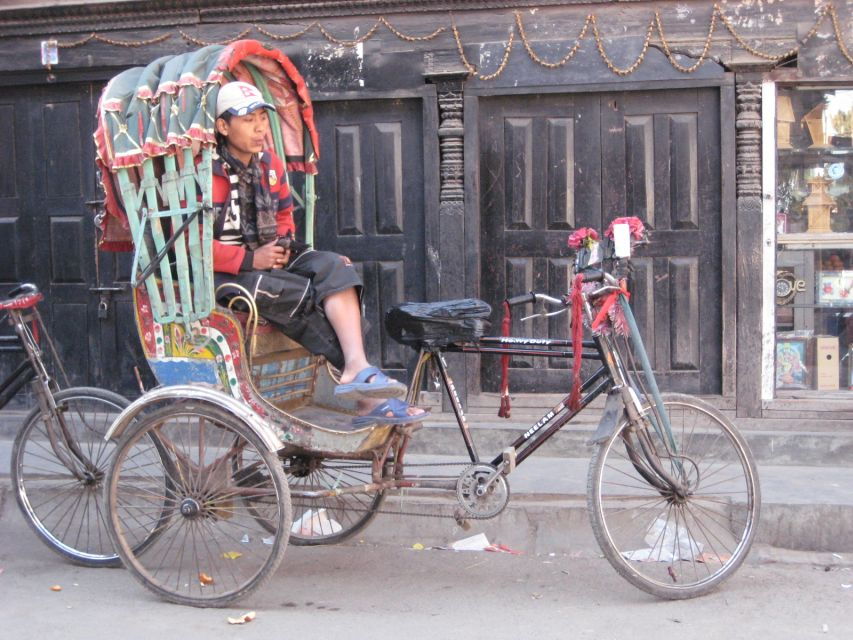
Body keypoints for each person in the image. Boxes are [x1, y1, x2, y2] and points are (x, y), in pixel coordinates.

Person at [211, 81, 426, 428]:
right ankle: (369, 397)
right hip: (226, 274)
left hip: (267, 256)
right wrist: (252, 260)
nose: (259, 128)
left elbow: (283, 218)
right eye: (247, 119)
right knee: (297, 294)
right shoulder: (207, 174)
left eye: (262, 119)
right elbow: (188, 248)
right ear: (223, 126)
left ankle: (356, 365)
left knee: (334, 266)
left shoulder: (269, 166)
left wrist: (280, 247)